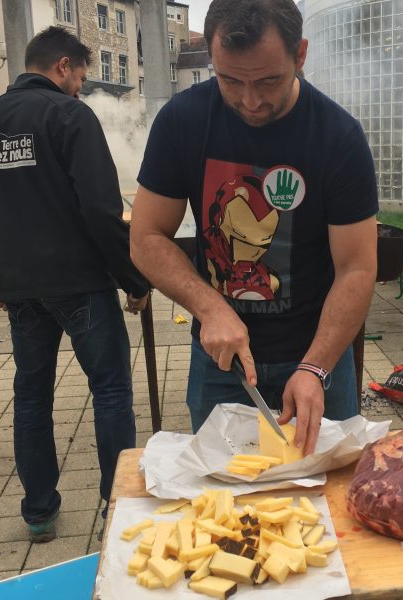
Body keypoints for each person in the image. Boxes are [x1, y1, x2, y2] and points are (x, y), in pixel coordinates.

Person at [130, 0, 378, 457]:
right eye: (230, 80)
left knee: (328, 511)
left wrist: (316, 367)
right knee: (225, 506)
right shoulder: (182, 122)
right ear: (212, 55)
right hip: (220, 363)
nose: (250, 100)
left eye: (268, 81)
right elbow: (146, 238)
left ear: (300, 55)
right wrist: (210, 307)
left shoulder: (338, 137)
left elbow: (357, 269)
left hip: (319, 360)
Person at [0, 26, 150, 544]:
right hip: (81, 283)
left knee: (31, 396)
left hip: (21, 287)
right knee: (110, 391)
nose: (80, 87)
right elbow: (100, 208)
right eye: (81, 76)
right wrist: (132, 278)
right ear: (63, 66)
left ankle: (39, 511)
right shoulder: (68, 115)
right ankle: (118, 508)